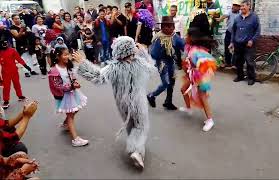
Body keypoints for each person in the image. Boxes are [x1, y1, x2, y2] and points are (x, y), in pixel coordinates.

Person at [74, 36, 157, 169]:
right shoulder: (140, 63)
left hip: (122, 103)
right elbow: (152, 69)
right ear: (130, 49)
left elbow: (97, 77)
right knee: (141, 126)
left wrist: (83, 62)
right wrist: (144, 53)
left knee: (130, 124)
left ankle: (135, 148)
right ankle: (137, 151)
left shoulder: (113, 68)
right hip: (138, 101)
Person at [48, 47, 88, 147]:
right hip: (65, 95)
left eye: (68, 54)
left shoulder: (67, 66)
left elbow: (72, 76)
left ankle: (66, 123)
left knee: (76, 109)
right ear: (58, 56)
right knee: (71, 116)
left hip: (73, 93)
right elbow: (57, 86)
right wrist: (71, 86)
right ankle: (75, 139)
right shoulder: (54, 70)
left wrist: (75, 82)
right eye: (65, 54)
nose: (68, 56)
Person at [180, 26, 217, 132]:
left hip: (201, 76)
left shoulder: (196, 50)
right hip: (193, 74)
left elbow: (208, 63)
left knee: (202, 96)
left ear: (191, 37)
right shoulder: (190, 47)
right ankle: (189, 108)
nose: (185, 37)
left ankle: (210, 120)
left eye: (187, 35)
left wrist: (198, 75)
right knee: (183, 89)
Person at [147, 16, 185, 110]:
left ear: (174, 27)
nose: (168, 28)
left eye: (171, 26)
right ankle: (152, 95)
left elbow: (184, 46)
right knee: (166, 83)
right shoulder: (159, 38)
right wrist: (162, 49)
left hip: (171, 62)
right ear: (161, 27)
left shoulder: (175, 37)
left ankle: (168, 101)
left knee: (171, 82)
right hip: (162, 63)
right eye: (166, 26)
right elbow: (153, 54)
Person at [229, 0, 260, 86]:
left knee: (249, 62)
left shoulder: (254, 17)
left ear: (249, 6)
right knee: (238, 62)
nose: (242, 8)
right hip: (238, 44)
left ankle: (251, 78)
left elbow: (257, 31)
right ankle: (240, 76)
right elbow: (233, 31)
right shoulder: (237, 18)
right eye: (241, 6)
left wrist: (252, 40)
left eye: (243, 6)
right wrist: (232, 42)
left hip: (249, 44)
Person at [0, 39, 33, 109]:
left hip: (14, 71)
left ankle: (20, 96)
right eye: (3, 43)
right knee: (6, 87)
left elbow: (19, 59)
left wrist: (26, 66)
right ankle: (6, 101)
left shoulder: (12, 50)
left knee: (17, 84)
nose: (5, 45)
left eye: (6, 43)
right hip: (5, 73)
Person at [216, 0, 241, 67]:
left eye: (235, 6)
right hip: (229, 33)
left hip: (237, 34)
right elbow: (225, 15)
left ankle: (234, 64)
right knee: (227, 47)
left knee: (236, 48)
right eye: (233, 5)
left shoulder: (241, 14)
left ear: (238, 7)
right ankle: (228, 63)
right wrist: (219, 19)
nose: (233, 7)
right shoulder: (230, 11)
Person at [169, 4, 183, 69]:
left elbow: (181, 28)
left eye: (174, 10)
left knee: (177, 50)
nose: (172, 12)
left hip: (177, 34)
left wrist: (181, 37)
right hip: (168, 35)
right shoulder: (167, 18)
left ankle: (179, 64)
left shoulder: (180, 18)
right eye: (171, 10)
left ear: (176, 11)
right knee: (168, 50)